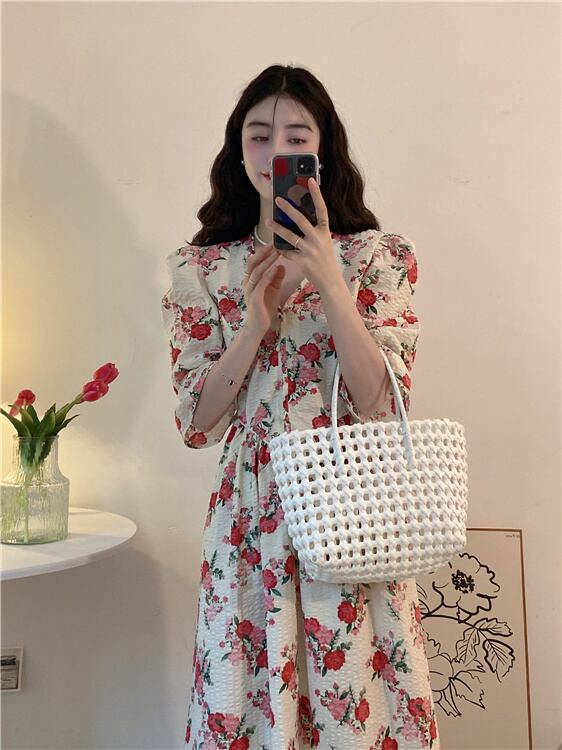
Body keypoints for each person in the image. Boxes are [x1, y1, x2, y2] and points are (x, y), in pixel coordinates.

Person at [161, 64, 439, 750]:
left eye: (295, 137)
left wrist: (329, 282)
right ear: (238, 150)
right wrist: (254, 324)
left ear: (322, 151)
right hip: (251, 509)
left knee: (358, 700)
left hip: (353, 507)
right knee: (249, 696)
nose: (274, 152)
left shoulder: (379, 256)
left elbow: (382, 403)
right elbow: (197, 424)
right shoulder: (201, 269)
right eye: (259, 135)